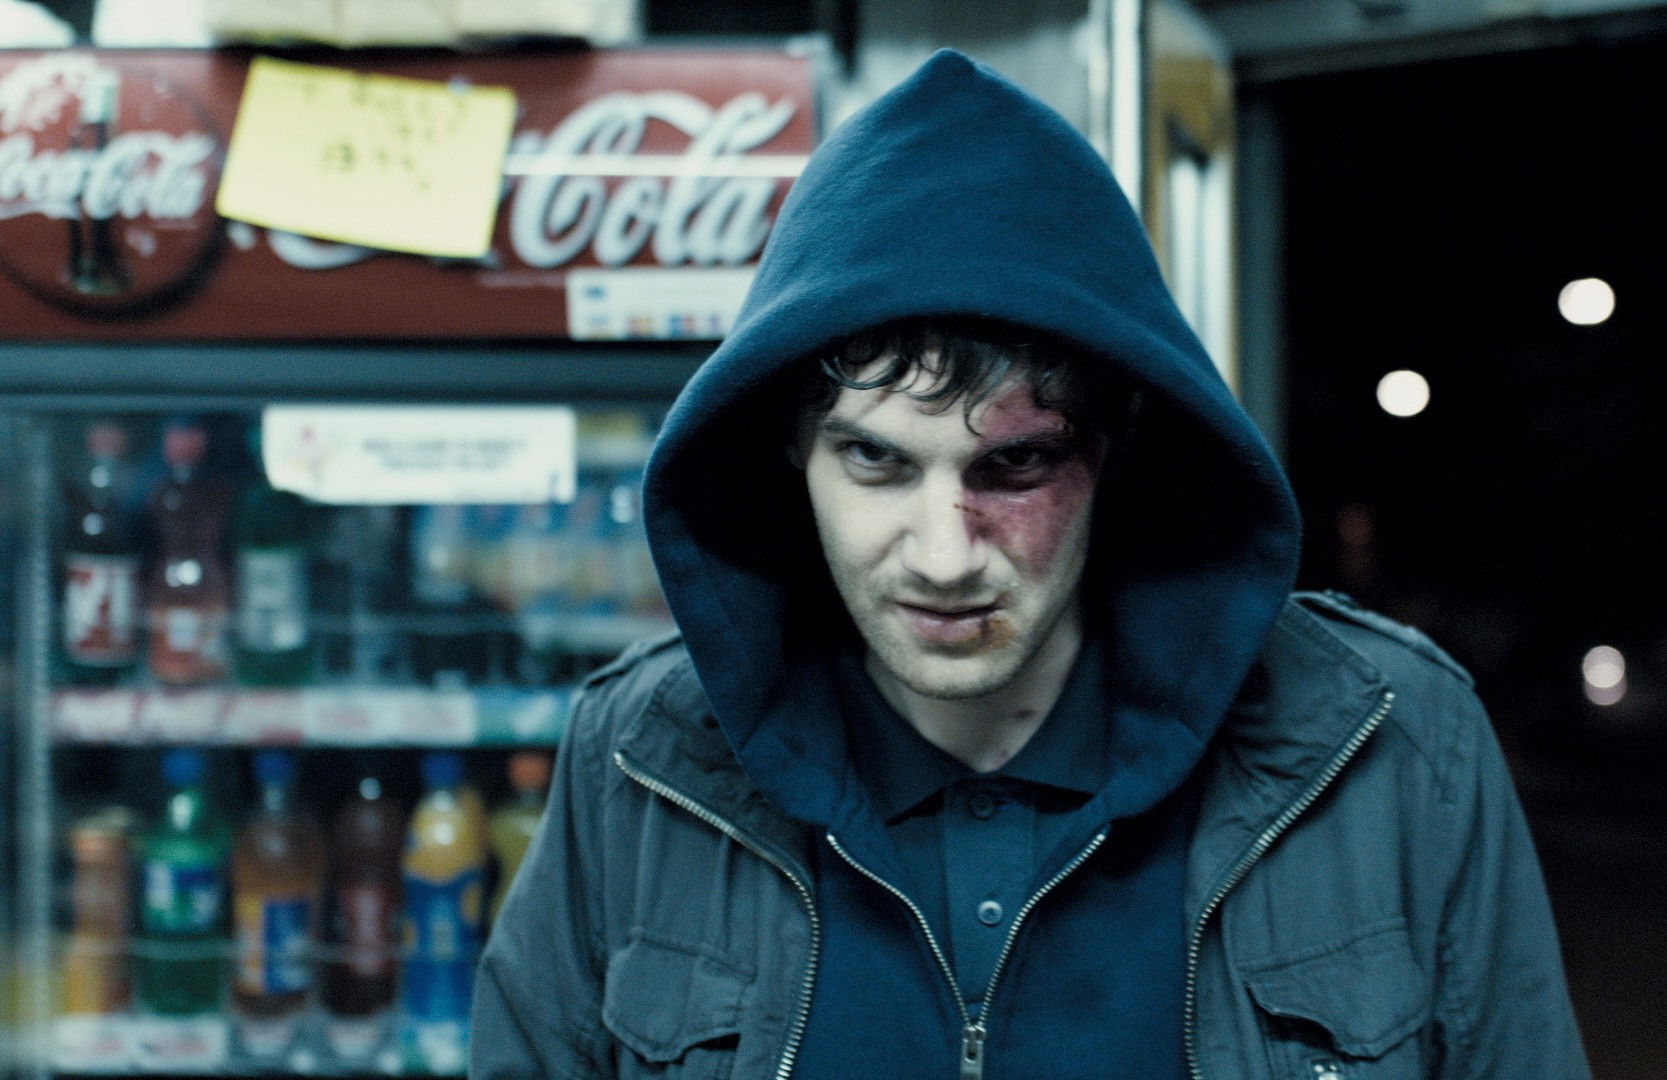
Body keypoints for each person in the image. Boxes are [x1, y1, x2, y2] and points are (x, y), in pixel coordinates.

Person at [472, 49, 1590, 1080]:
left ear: (1115, 450)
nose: (944, 555)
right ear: (790, 454)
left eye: (1013, 466)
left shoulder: (1389, 747)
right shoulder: (642, 761)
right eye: (875, 460)